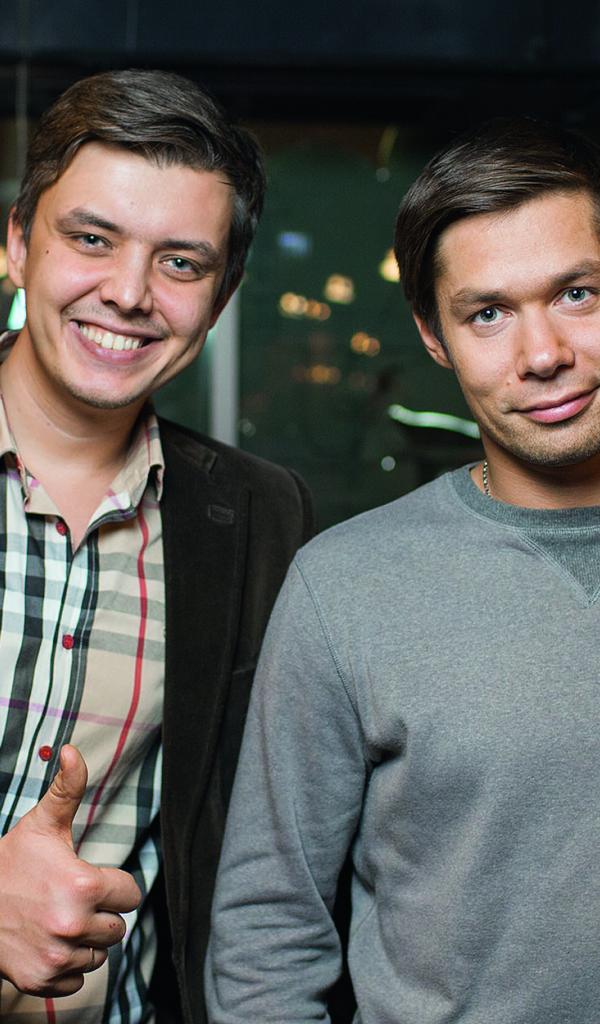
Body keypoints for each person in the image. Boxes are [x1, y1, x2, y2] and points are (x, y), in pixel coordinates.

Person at [206, 116, 600, 1024]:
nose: (543, 354)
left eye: (577, 293)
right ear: (433, 335)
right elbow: (268, 932)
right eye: (488, 313)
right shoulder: (347, 589)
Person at [0, 69, 313, 1023]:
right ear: (16, 244)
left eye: (180, 263)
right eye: (92, 239)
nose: (129, 294)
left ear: (221, 297)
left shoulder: (260, 518)